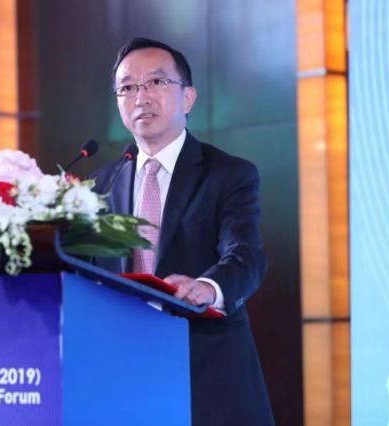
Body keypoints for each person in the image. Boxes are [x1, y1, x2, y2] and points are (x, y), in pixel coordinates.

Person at [90, 37, 275, 425]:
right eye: (127, 87)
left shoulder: (228, 175)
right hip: (121, 375)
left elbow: (246, 256)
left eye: (156, 82)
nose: (141, 97)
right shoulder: (101, 184)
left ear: (188, 98)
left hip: (205, 374)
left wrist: (209, 287)